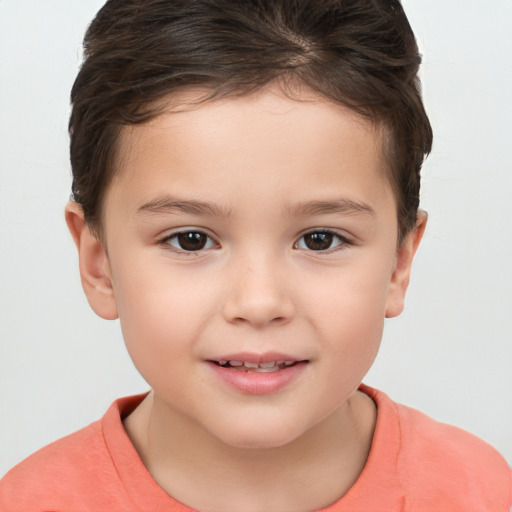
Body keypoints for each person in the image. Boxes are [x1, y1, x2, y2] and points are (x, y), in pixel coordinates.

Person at [0, 0, 510, 510]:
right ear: (99, 263)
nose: (260, 302)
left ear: (399, 263)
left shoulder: (479, 491)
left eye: (320, 239)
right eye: (191, 239)